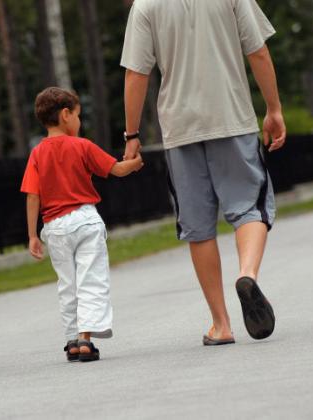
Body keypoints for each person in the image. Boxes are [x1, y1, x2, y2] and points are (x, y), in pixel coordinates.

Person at [121, 0, 286, 345]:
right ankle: (247, 274)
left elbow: (137, 73)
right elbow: (257, 52)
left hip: (180, 129)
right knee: (249, 208)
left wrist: (132, 135)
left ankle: (221, 325)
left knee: (198, 227)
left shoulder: (146, 5)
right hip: (232, 119)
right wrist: (273, 108)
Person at [21, 87, 143, 362]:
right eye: (77, 115)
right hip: (85, 221)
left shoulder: (37, 154)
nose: (79, 121)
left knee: (68, 284)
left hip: (54, 227)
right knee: (91, 279)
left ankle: (72, 340)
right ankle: (87, 340)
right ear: (65, 115)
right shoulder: (82, 146)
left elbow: (32, 195)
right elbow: (116, 169)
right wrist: (134, 163)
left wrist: (32, 235)